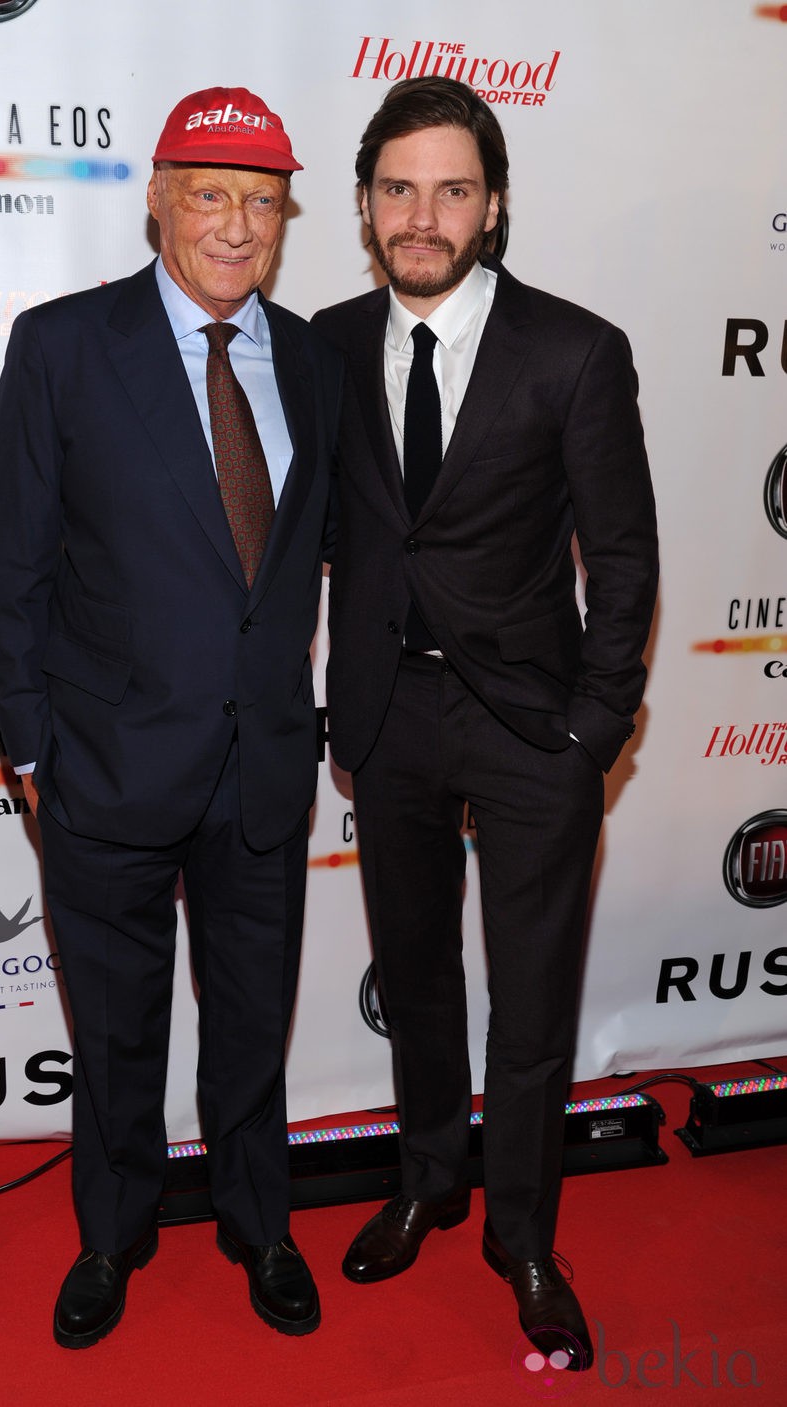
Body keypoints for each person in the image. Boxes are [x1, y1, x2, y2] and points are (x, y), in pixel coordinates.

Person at [0, 86, 342, 1349]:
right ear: (156, 200)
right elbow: (9, 568)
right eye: (210, 194)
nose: (236, 227)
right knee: (117, 1029)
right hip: (106, 767)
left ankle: (258, 1224)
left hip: (263, 770)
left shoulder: (312, 358)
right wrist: (29, 745)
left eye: (261, 202)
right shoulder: (63, 346)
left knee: (252, 1021)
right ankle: (112, 1231)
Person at [313, 77, 658, 1371]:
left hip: (531, 729)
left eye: (452, 187)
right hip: (387, 718)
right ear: (363, 205)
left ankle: (522, 1231)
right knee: (413, 979)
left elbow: (622, 558)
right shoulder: (327, 346)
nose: (423, 213)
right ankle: (428, 1182)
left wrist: (594, 727)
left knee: (529, 1006)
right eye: (398, 188)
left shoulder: (575, 348)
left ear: (494, 203)